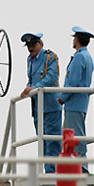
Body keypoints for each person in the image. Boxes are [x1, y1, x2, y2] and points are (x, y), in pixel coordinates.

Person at [20, 32, 62, 173]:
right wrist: (28, 89)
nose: (30, 48)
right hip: (38, 106)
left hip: (50, 104)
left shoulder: (50, 57)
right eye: (28, 46)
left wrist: (34, 88)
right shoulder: (30, 60)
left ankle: (53, 170)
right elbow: (31, 79)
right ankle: (47, 168)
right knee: (42, 140)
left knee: (53, 140)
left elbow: (52, 78)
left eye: (33, 45)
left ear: (40, 44)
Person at [58, 26, 94, 173]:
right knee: (70, 133)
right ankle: (73, 163)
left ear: (78, 40)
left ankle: (82, 165)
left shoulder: (80, 56)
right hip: (80, 102)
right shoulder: (87, 56)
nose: (73, 41)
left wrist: (63, 98)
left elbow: (73, 81)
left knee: (76, 134)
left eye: (74, 38)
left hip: (74, 102)